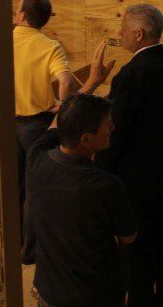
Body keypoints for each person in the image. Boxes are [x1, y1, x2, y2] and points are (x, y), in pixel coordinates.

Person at [96, 4, 163, 307]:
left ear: (139, 34)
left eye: (123, 30)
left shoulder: (130, 75)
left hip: (136, 180)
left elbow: (115, 133)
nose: (120, 34)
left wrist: (102, 174)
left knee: (137, 250)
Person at [27, 93, 137, 307]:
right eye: (107, 124)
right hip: (95, 296)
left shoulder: (36, 157)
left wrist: (91, 83)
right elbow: (128, 237)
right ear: (86, 139)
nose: (112, 128)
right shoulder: (106, 186)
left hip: (49, 292)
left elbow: (54, 125)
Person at [12, 0, 76, 229]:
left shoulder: (3, 40)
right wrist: (62, 104)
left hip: (6, 124)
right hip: (36, 127)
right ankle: (34, 245)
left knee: (13, 187)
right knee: (37, 186)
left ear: (23, 16)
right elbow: (67, 81)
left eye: (17, 10)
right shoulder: (50, 47)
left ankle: (15, 242)